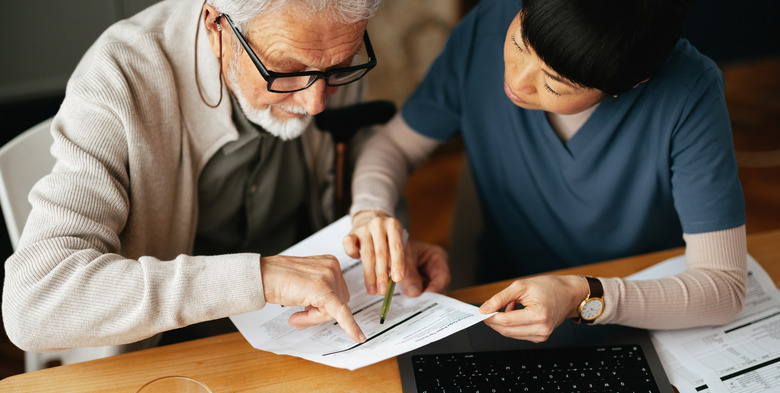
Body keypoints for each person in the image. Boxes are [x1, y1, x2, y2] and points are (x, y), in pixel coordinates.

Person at [1, 0, 451, 356]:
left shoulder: (324, 50)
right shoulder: (122, 76)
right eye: (287, 70)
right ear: (217, 28)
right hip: (170, 353)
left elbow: (359, 146)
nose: (316, 102)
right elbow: (33, 302)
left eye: (339, 68)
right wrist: (260, 277)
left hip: (311, 332)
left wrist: (373, 228)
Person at [346, 0, 747, 342]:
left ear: (630, 84)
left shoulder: (687, 92)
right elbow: (394, 145)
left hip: (642, 314)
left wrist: (581, 296)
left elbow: (724, 288)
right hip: (501, 302)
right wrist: (371, 210)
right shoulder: (491, 21)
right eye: (519, 44)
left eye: (554, 83)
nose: (517, 79)